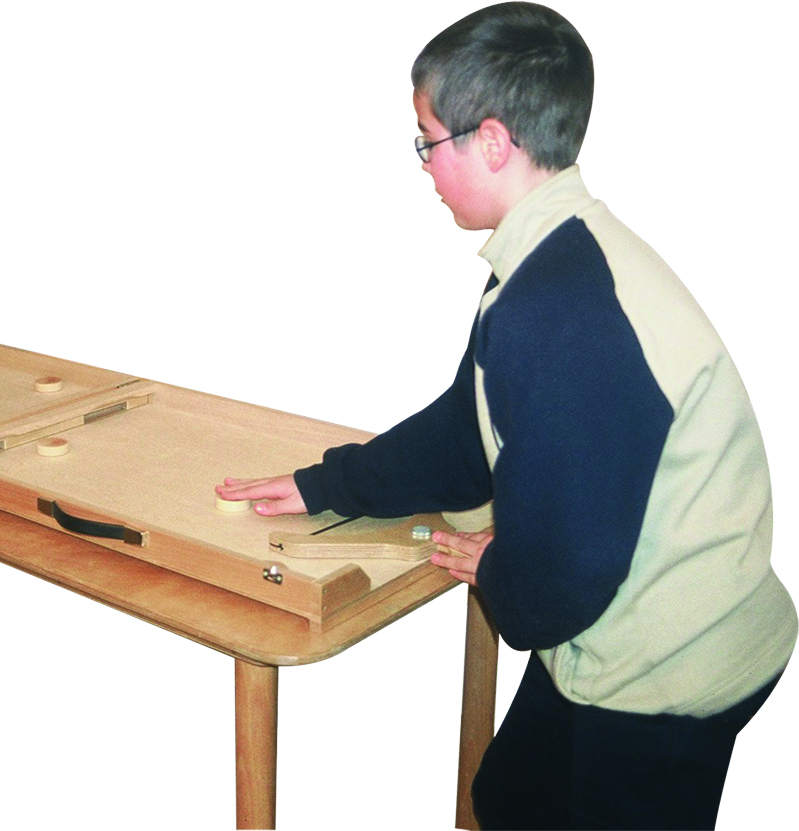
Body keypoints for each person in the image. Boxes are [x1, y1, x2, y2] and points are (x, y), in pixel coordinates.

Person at [216, 3, 796, 828]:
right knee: (509, 797)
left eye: (427, 139)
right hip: (619, 606)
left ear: (490, 141)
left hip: (675, 660)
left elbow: (561, 577)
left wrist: (500, 569)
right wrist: (326, 484)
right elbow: (467, 432)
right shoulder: (547, 260)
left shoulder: (563, 306)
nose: (422, 163)